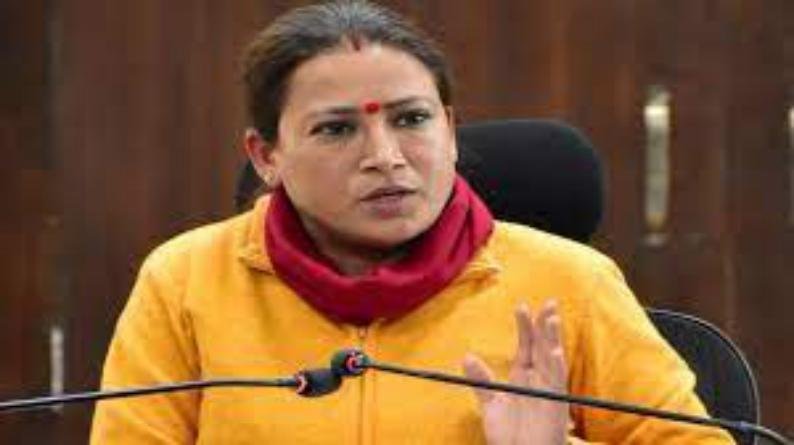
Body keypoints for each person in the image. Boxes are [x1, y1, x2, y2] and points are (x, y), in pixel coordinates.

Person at [90, 1, 735, 443]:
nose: (385, 156)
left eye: (411, 119)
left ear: (450, 131)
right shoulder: (185, 282)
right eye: (337, 129)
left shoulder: (569, 284)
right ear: (267, 157)